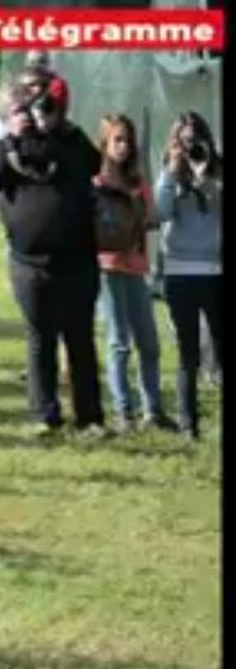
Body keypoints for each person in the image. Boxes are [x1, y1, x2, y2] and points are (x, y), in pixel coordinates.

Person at [0, 75, 106, 438]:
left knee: (80, 337)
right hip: (28, 262)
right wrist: (11, 137)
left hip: (78, 257)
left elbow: (92, 166)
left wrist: (52, 131)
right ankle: (44, 414)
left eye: (37, 105)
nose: (33, 113)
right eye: (22, 108)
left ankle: (90, 417)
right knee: (40, 338)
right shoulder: (7, 145)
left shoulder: (69, 138)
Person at [94, 114, 177, 434]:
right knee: (119, 343)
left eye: (128, 140)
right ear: (105, 143)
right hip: (109, 268)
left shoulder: (137, 182)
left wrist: (172, 171)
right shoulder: (96, 183)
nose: (124, 147)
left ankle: (152, 410)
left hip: (137, 268)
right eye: (117, 140)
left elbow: (153, 217)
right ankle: (123, 411)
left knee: (150, 344)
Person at [155, 111, 222, 441]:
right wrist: (173, 171)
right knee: (188, 354)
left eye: (196, 138)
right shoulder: (168, 171)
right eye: (184, 139)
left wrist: (206, 176)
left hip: (214, 270)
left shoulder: (217, 170)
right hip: (179, 271)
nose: (191, 144)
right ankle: (188, 425)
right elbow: (161, 211)